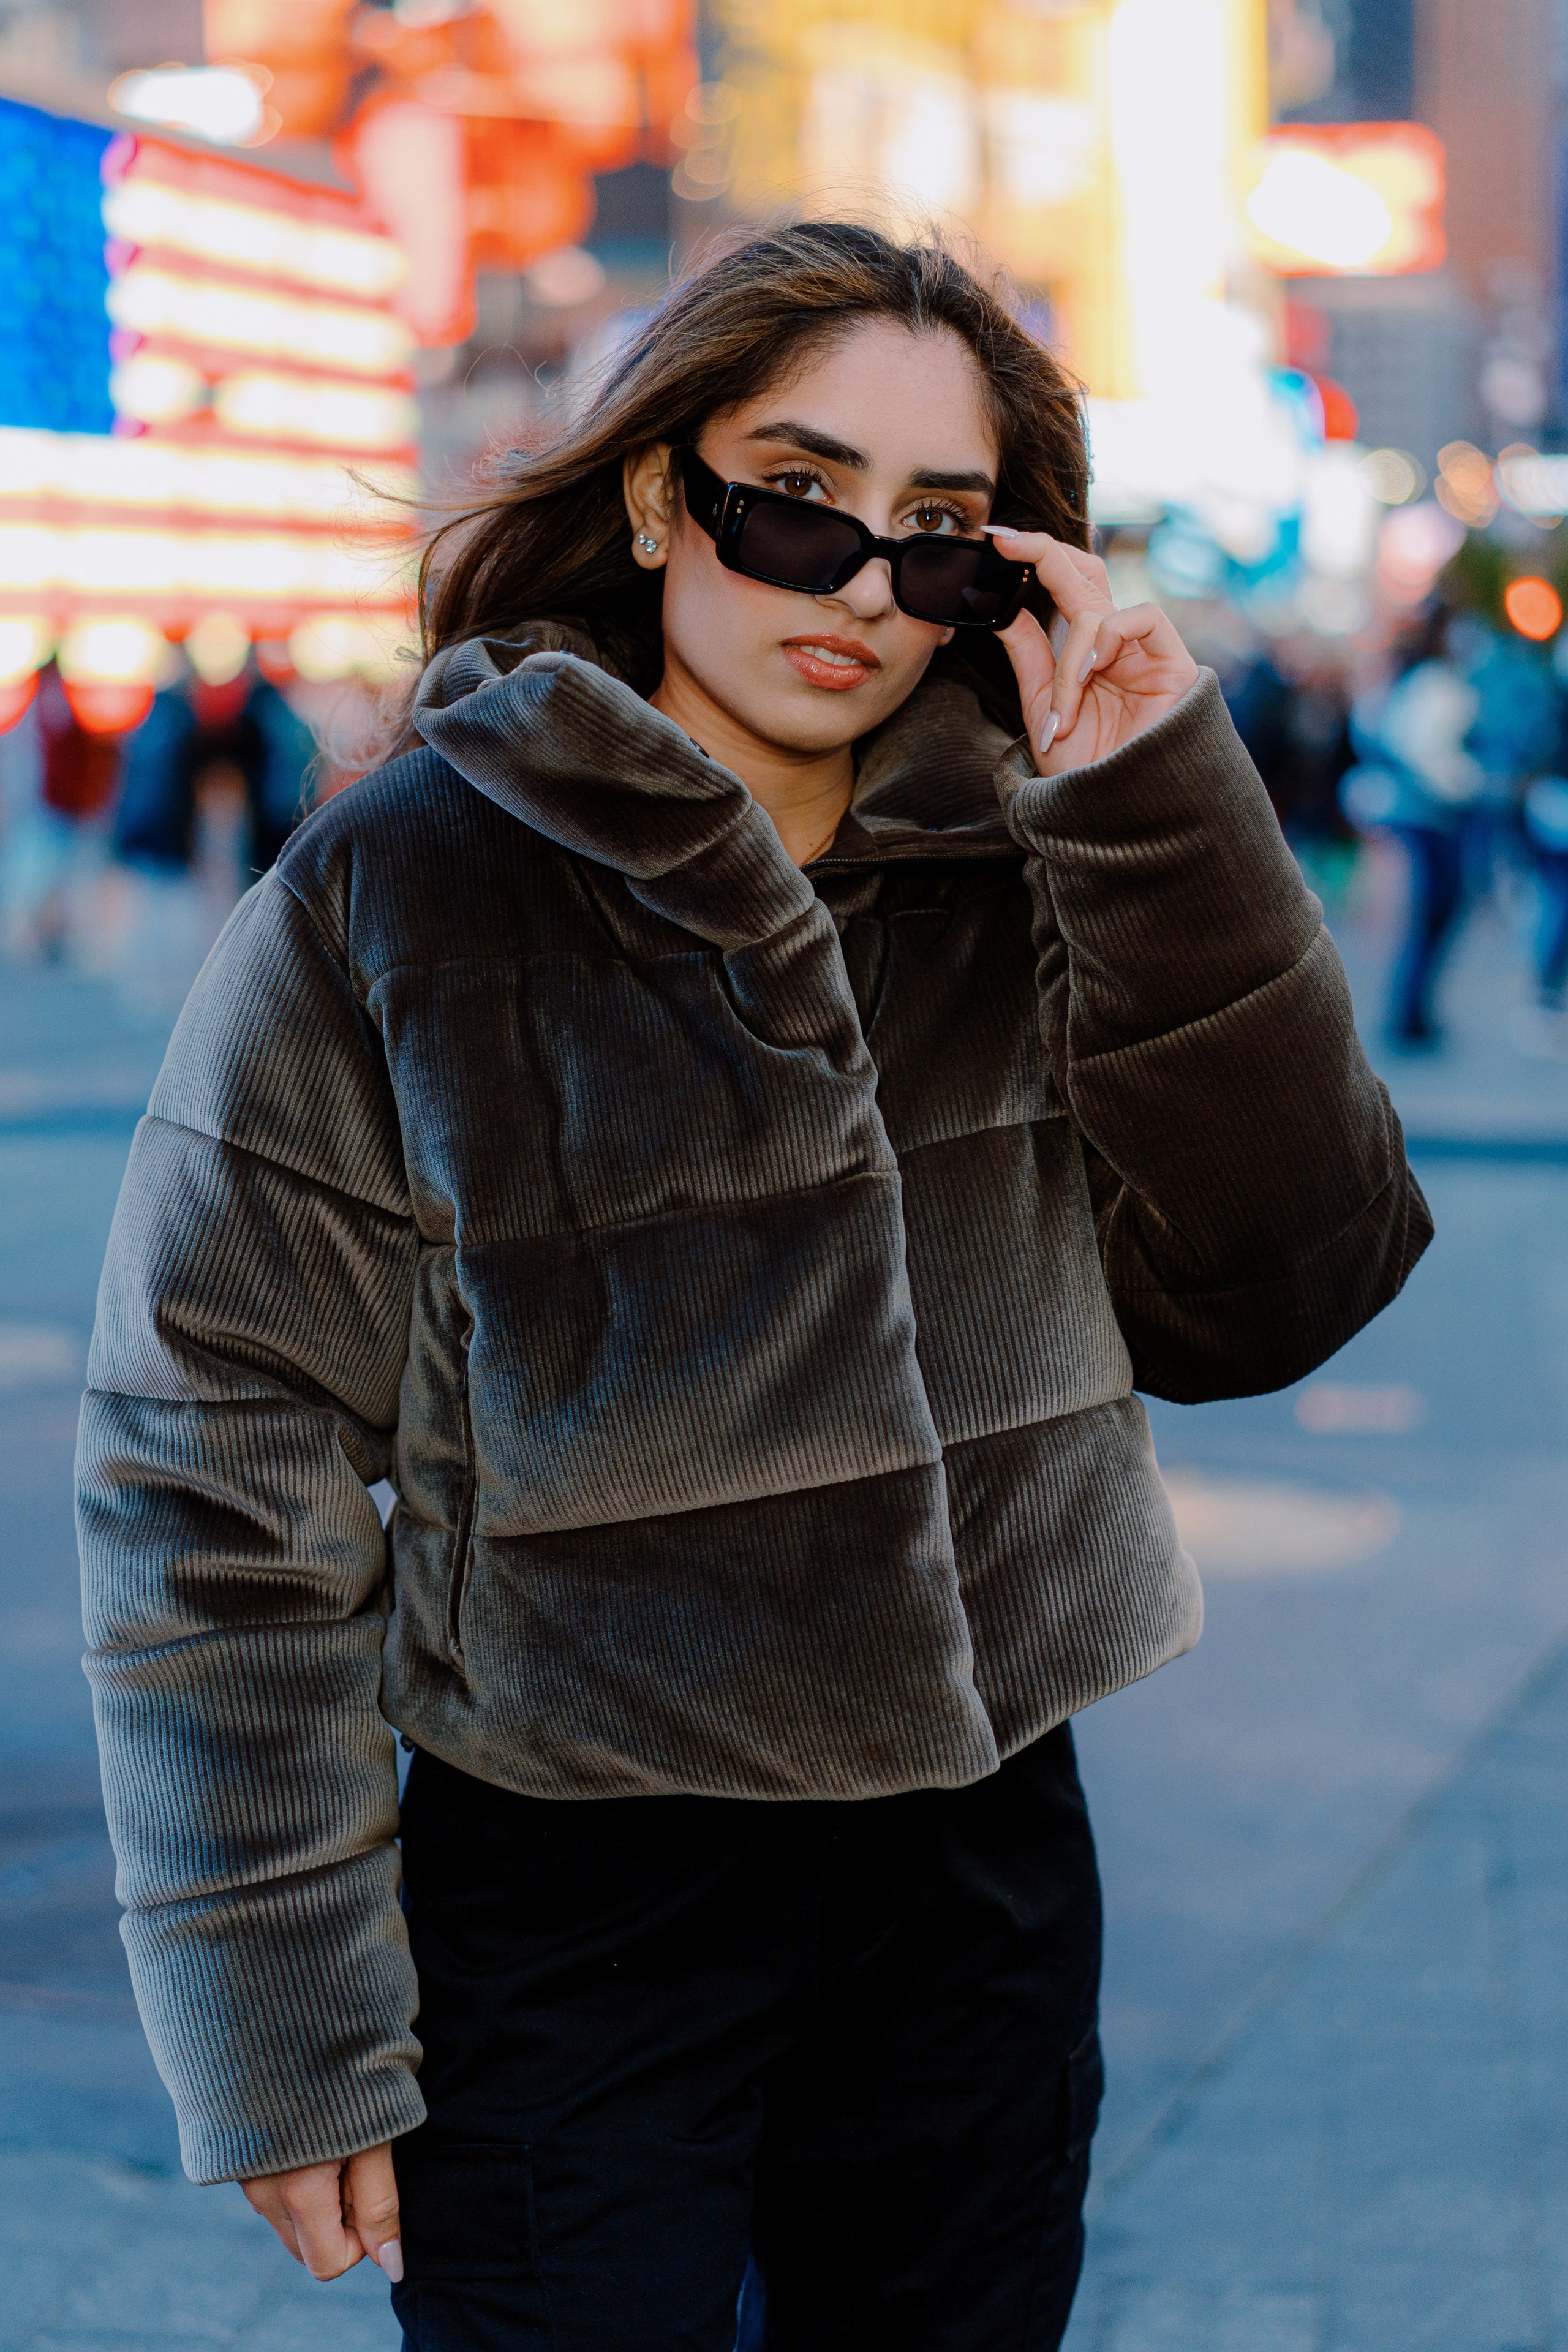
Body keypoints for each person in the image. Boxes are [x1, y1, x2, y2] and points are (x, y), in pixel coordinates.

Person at [77, 224, 1431, 2351]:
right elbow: (210, 1472)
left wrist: (1161, 810)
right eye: (798, 497)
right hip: (574, 1889)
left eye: (946, 535)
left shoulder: (1048, 855)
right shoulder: (406, 883)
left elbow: (1283, 1293)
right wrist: (276, 2006)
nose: (866, 583)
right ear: (659, 492)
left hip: (975, 1875)